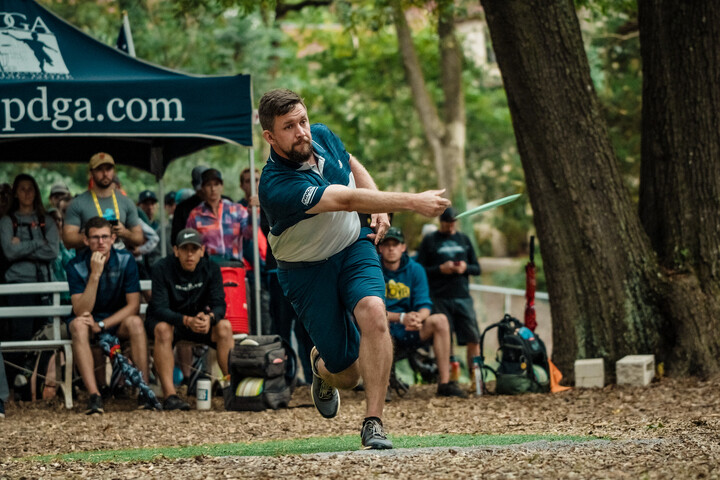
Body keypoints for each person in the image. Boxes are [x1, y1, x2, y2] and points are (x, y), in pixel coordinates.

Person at [257, 89, 450, 449]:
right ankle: (321, 367)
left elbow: (349, 161)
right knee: (348, 372)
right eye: (289, 127)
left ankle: (373, 421)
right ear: (270, 136)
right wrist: (413, 202)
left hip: (353, 246)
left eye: (302, 121)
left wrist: (379, 206)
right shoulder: (275, 185)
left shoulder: (322, 134)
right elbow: (343, 199)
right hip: (306, 271)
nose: (302, 132)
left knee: (375, 312)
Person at [65, 216, 149, 414]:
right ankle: (95, 396)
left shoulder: (126, 260)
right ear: (86, 240)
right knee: (77, 325)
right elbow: (80, 310)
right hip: (88, 319)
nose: (100, 242)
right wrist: (94, 274)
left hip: (116, 320)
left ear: (113, 238)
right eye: (95, 238)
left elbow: (134, 306)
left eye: (105, 237)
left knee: (136, 322)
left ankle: (144, 389)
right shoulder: (75, 265)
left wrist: (101, 324)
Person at [146, 229, 233, 410]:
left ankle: (231, 388)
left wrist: (209, 318)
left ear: (202, 251)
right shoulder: (161, 268)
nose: (190, 254)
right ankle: (170, 396)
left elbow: (220, 306)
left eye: (194, 249)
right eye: (185, 249)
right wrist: (186, 320)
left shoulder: (211, 268)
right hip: (172, 323)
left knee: (224, 326)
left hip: (199, 323)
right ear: (176, 250)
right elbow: (158, 308)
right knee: (162, 328)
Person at [378, 227, 467, 399]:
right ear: (380, 248)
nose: (391, 248)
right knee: (377, 324)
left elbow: (424, 303)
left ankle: (445, 383)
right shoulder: (374, 270)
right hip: (385, 328)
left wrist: (419, 317)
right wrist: (401, 318)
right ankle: (384, 386)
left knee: (440, 320)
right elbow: (371, 311)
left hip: (410, 329)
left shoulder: (415, 269)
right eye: (386, 244)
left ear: (403, 247)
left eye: (395, 244)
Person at [0, 174, 59, 396]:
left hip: (45, 283)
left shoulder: (47, 221)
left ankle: (38, 385)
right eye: (22, 189)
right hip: (18, 284)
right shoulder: (7, 222)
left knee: (44, 335)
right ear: (15, 192)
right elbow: (9, 251)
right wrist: (37, 244)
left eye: (30, 189)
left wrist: (23, 246)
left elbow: (52, 250)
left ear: (36, 192)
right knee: (20, 335)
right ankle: (13, 386)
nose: (26, 193)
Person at [416, 207, 482, 382]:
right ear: (441, 222)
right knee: (447, 340)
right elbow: (419, 269)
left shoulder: (464, 240)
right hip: (439, 297)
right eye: (447, 223)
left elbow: (477, 268)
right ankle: (452, 380)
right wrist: (440, 269)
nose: (450, 226)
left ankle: (476, 380)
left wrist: (464, 268)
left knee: (473, 338)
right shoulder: (430, 240)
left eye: (453, 222)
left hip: (462, 296)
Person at [63, 153, 143, 250]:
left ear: (113, 171)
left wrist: (124, 232)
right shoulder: (77, 203)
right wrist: (92, 235)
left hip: (118, 262)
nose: (105, 174)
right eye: (99, 169)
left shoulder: (126, 202)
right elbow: (67, 239)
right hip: (87, 262)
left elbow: (139, 239)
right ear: (91, 173)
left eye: (108, 169)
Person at [186, 168, 252, 264]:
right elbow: (190, 243)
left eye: (216, 184)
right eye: (209, 185)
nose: (213, 189)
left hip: (234, 266)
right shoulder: (195, 215)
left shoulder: (236, 210)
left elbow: (249, 234)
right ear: (203, 188)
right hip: (208, 268)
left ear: (222, 187)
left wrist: (253, 214)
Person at [171, 166, 208, 247]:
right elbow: (176, 239)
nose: (204, 191)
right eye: (200, 189)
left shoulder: (226, 204)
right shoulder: (183, 208)